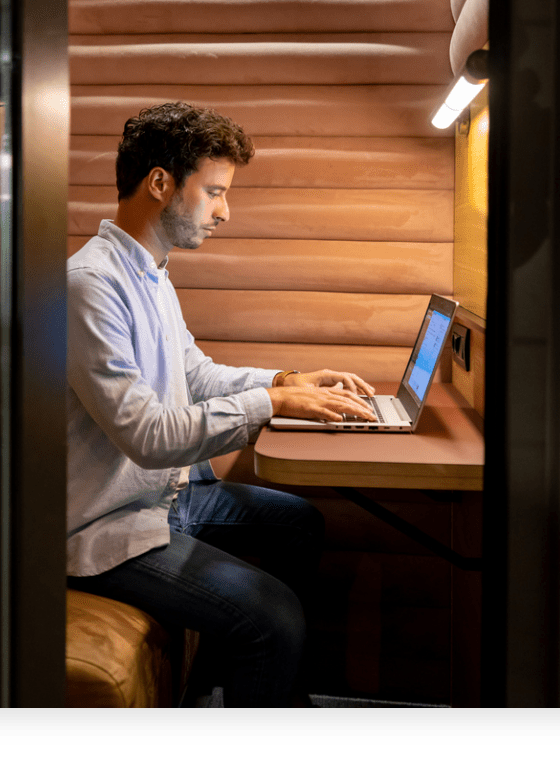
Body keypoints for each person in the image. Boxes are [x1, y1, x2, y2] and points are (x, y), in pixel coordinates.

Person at [66, 101, 377, 708]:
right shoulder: (89, 285)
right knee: (274, 617)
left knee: (300, 523)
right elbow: (147, 435)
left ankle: (256, 691)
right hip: (105, 524)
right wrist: (271, 401)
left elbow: (196, 373)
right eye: (213, 192)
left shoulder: (151, 272)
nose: (224, 211)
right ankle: (264, 675)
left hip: (162, 494)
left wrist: (291, 381)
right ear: (160, 182)